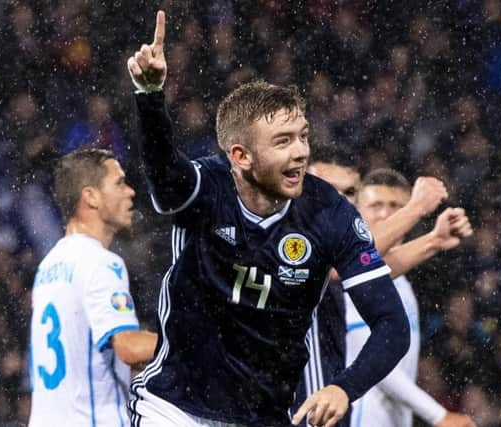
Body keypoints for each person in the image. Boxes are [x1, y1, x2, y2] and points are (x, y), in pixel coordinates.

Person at [126, 11, 409, 427]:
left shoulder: (329, 213)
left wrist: (343, 387)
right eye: (283, 141)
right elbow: (166, 177)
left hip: (263, 416)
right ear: (241, 156)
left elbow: (391, 324)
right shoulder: (209, 187)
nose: (300, 152)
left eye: (303, 136)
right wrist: (150, 98)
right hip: (174, 407)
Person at [28, 148, 157, 426]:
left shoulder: (49, 266)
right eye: (119, 183)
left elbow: (90, 359)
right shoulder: (100, 263)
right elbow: (129, 347)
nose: (131, 192)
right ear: (91, 196)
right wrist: (193, 346)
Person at [348, 168, 476, 427]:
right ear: (357, 211)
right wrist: (438, 415)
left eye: (395, 205)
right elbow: (374, 365)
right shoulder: (352, 277)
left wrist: (435, 240)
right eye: (375, 205)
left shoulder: (401, 280)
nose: (385, 214)